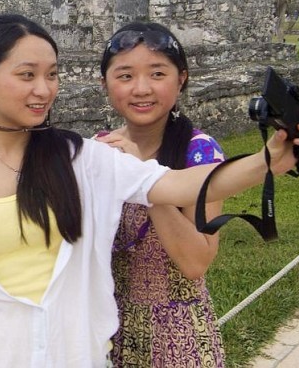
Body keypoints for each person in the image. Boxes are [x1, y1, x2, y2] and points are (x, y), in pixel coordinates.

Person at [0, 13, 299, 367]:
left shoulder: (81, 156)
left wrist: (267, 160)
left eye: (51, 75)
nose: (43, 89)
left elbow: (174, 183)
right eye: (26, 74)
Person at [95, 22, 226, 366]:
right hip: (107, 331)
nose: (141, 89)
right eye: (124, 76)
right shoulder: (99, 151)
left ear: (181, 78)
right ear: (104, 83)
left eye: (157, 74)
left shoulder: (199, 154)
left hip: (177, 336)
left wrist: (144, 178)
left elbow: (196, 261)